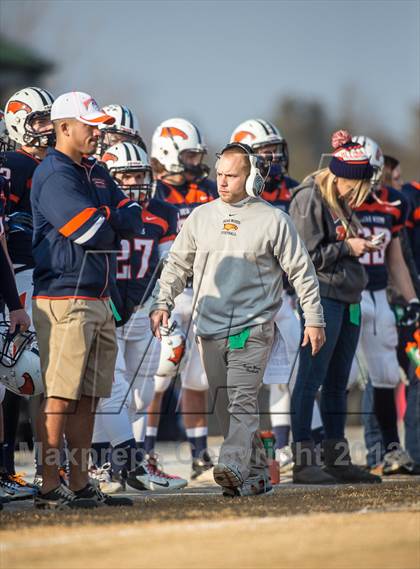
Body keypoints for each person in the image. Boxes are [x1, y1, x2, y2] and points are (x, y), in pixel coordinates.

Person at [150, 142, 325, 497]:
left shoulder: (275, 220)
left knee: (242, 400)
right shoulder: (200, 217)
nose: (223, 182)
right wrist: (161, 301)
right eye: (220, 175)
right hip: (208, 328)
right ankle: (258, 474)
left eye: (232, 175)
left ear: (253, 178)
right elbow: (176, 265)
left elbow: (302, 272)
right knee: (226, 406)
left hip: (254, 327)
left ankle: (230, 464)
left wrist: (314, 319)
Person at [31, 91, 143, 509]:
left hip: (96, 294)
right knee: (60, 394)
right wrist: (111, 217)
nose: (97, 132)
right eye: (88, 125)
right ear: (63, 127)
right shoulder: (55, 172)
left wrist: (109, 217)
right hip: (64, 294)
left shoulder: (94, 169)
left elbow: (136, 217)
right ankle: (47, 487)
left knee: (91, 395)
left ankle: (78, 484)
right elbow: (92, 232)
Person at [91, 141, 187, 492]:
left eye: (140, 174)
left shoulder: (163, 212)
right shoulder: (104, 210)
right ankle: (112, 466)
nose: (136, 181)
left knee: (142, 396)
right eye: (127, 175)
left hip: (145, 312)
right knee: (113, 392)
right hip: (110, 309)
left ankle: (112, 464)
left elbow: (170, 266)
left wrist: (163, 306)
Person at [230, 119, 324, 471]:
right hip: (246, 299)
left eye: (275, 149)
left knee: (288, 374)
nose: (273, 157)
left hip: (284, 296)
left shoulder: (296, 191)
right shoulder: (232, 196)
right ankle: (241, 449)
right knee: (243, 378)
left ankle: (284, 447)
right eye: (263, 151)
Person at [289, 130, 382, 485]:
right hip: (322, 298)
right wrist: (349, 248)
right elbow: (304, 257)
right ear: (344, 179)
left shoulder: (341, 201)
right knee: (310, 379)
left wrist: (357, 246)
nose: (362, 194)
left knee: (338, 383)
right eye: (358, 186)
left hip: (349, 298)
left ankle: (336, 457)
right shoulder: (309, 197)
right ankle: (303, 459)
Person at [147, 118, 217, 482]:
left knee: (198, 379)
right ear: (169, 153)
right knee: (159, 378)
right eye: (189, 154)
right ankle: (144, 453)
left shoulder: (207, 190)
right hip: (169, 296)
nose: (195, 161)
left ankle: (199, 455)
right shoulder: (153, 192)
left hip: (203, 294)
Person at [347, 137, 419, 474]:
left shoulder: (393, 201)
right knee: (342, 375)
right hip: (348, 294)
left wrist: (412, 299)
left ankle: (390, 450)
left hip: (378, 294)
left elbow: (396, 261)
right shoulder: (338, 201)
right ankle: (323, 451)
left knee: (387, 374)